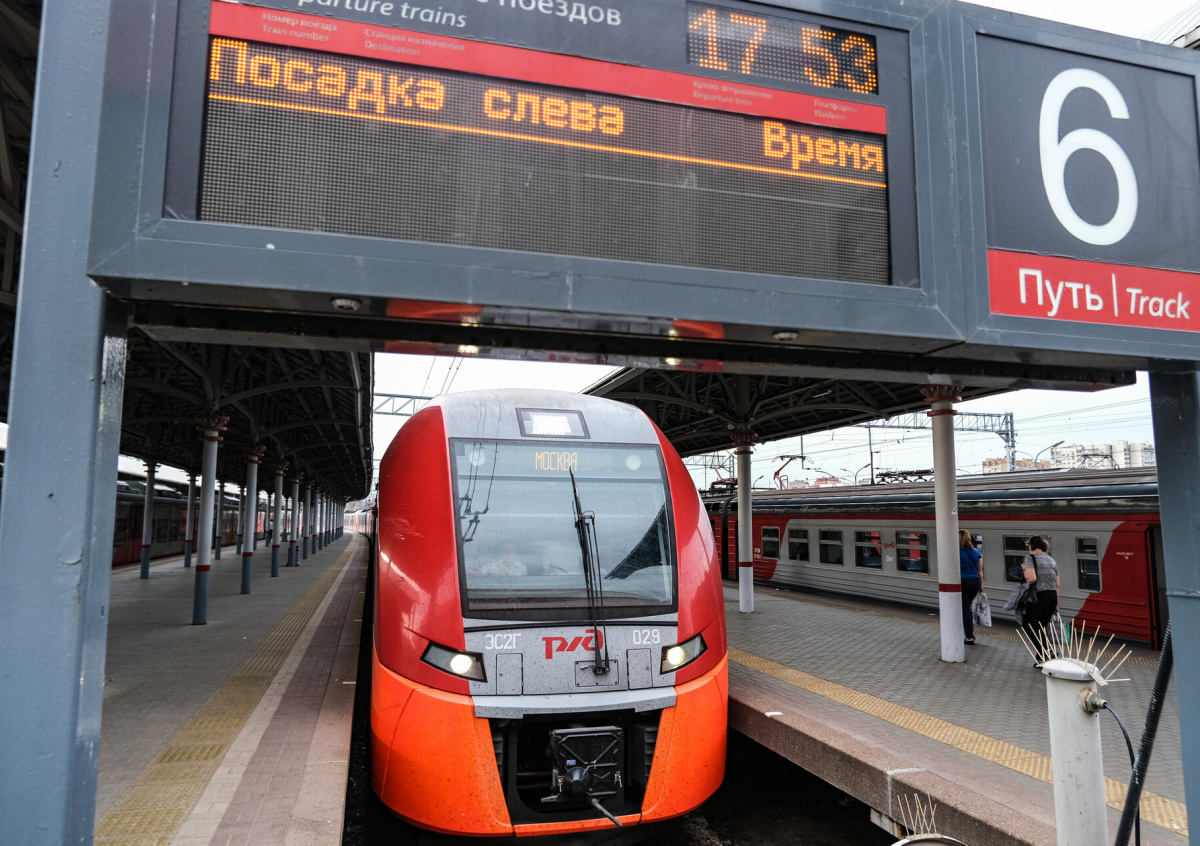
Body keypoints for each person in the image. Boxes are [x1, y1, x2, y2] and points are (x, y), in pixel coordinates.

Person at [1020, 535, 1060, 663]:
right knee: (1041, 626)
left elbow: (1031, 578)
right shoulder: (1051, 560)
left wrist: (1024, 569)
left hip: (1038, 597)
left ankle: (1046, 652)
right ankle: (1042, 658)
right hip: (1052, 596)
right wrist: (1056, 604)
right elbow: (1057, 584)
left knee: (1028, 626)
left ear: (1031, 546)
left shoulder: (1030, 558)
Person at [959, 530, 983, 645]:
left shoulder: (955, 552)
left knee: (965, 610)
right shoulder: (976, 552)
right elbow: (980, 571)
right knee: (967, 608)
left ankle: (969, 637)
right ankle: (969, 634)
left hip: (963, 581)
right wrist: (981, 586)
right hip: (975, 581)